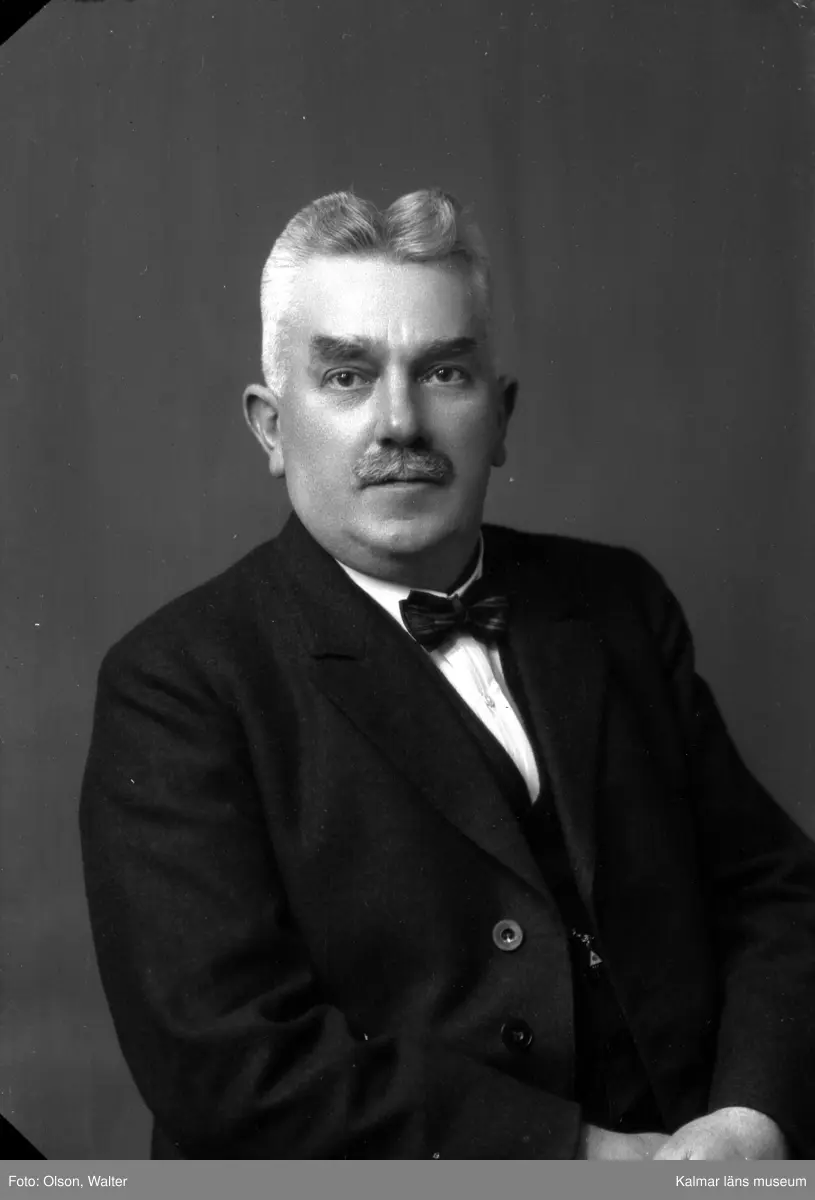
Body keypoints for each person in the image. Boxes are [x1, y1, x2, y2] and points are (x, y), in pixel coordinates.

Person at [79, 188, 815, 1161]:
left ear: (499, 416)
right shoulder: (175, 684)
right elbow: (226, 1063)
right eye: (347, 376)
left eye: (443, 373)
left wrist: (749, 1121)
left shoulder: (615, 604)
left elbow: (773, 895)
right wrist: (581, 1161)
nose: (400, 423)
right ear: (269, 426)